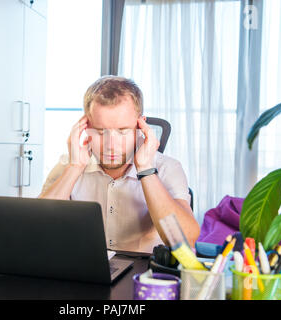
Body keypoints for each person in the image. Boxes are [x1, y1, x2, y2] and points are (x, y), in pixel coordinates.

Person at [39, 76, 200, 253]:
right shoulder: (68, 164)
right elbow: (36, 230)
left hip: (143, 273)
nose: (111, 145)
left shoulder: (167, 167)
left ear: (140, 127)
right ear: (85, 127)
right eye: (100, 131)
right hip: (83, 270)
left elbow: (185, 240)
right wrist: (75, 168)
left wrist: (146, 170)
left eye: (123, 131)